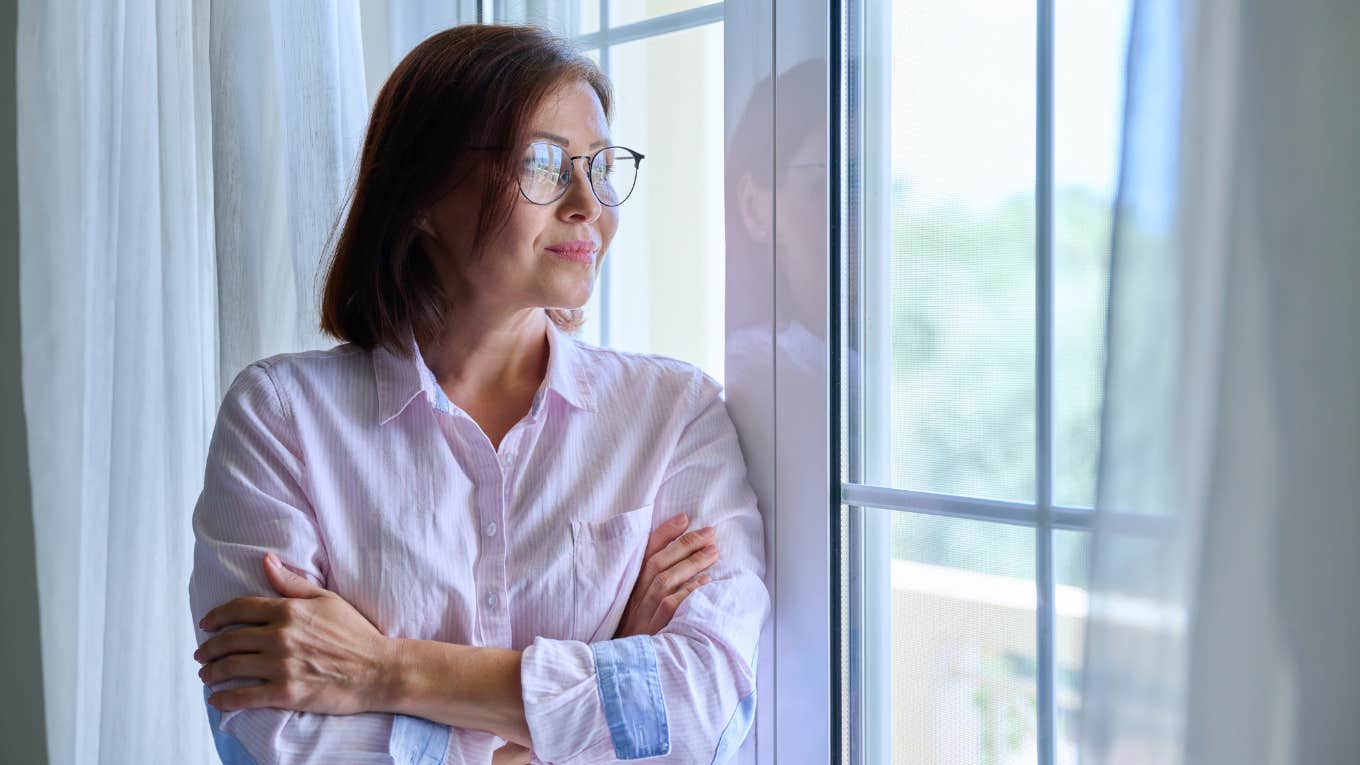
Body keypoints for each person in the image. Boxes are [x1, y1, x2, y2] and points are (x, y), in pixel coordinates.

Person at [187, 23, 769, 765]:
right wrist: (608, 668)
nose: (589, 202)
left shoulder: (673, 413)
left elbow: (702, 706)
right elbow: (276, 733)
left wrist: (382, 669)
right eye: (545, 163)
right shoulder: (281, 417)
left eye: (599, 165)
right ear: (422, 194)